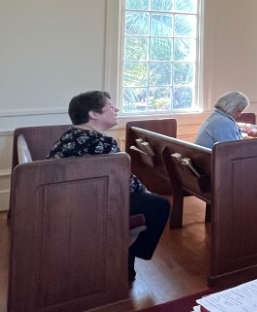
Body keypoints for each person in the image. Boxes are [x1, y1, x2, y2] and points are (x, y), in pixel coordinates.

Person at [47, 91, 170, 282]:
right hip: (88, 204)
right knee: (159, 205)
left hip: (68, 199)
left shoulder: (70, 135)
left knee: (149, 200)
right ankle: (127, 255)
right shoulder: (101, 142)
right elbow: (124, 180)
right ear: (93, 114)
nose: (117, 109)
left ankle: (128, 259)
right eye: (111, 107)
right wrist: (144, 190)